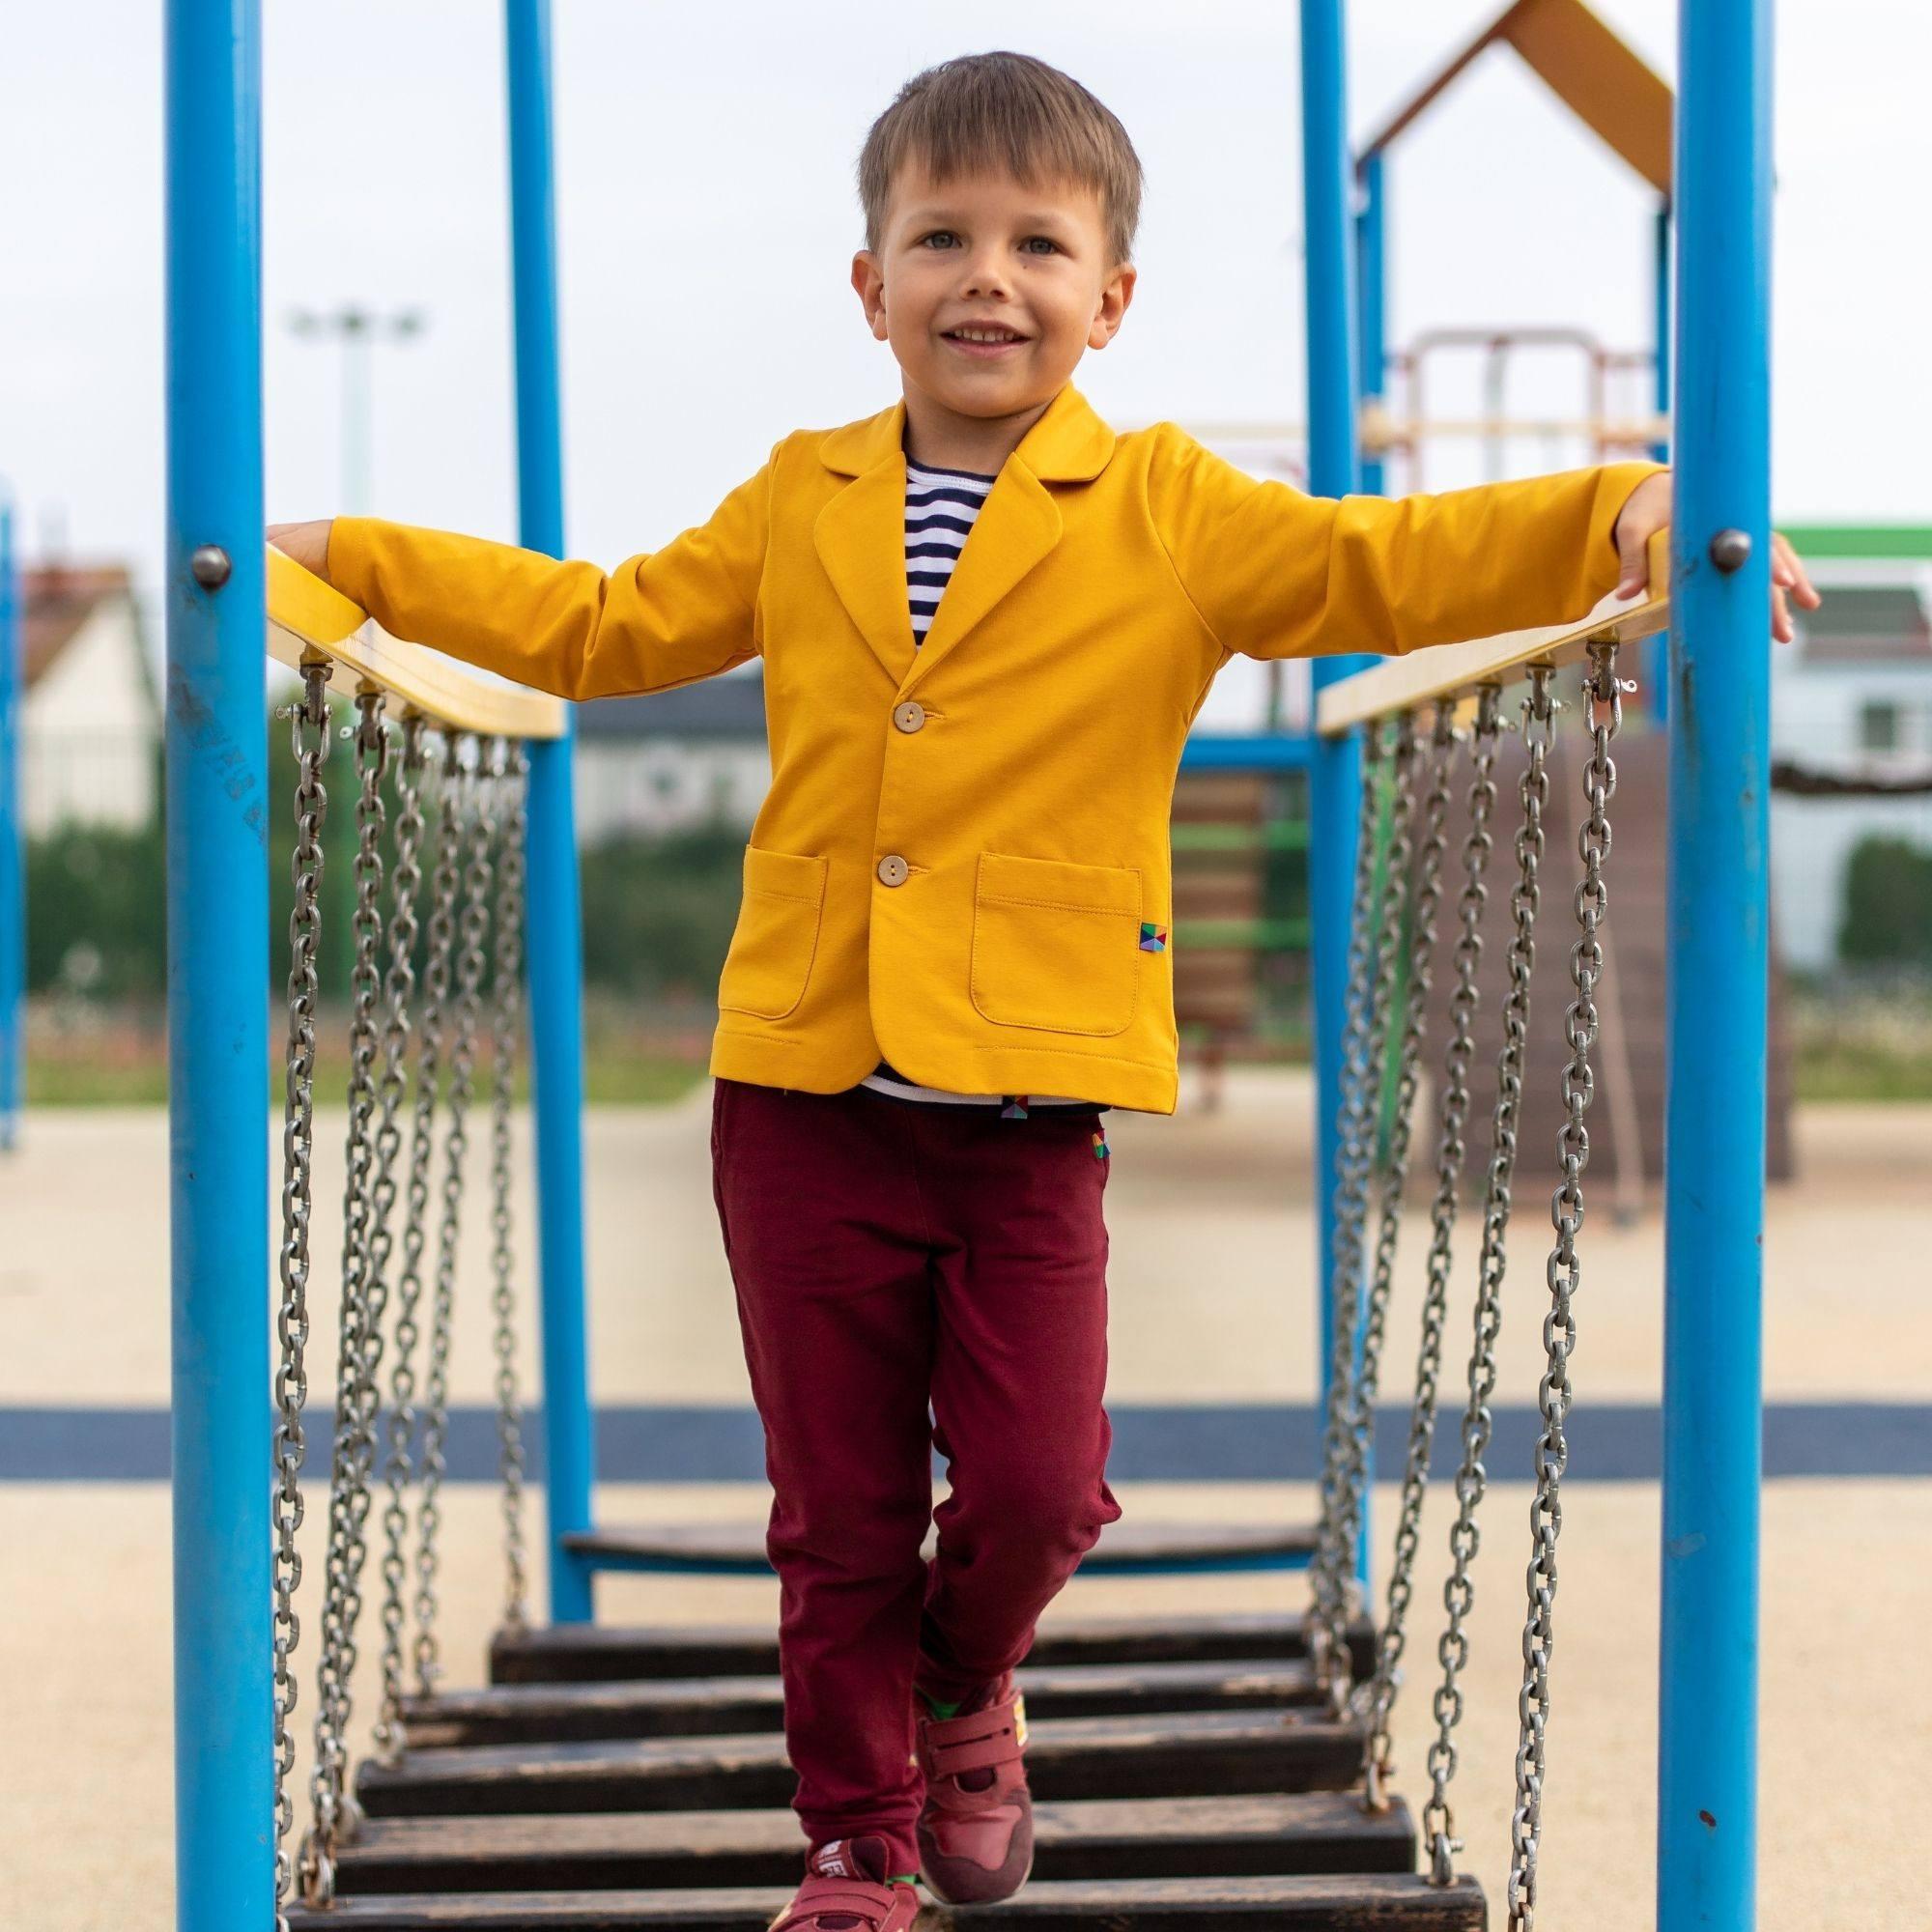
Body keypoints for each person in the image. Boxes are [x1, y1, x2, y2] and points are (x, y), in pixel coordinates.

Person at [270, 48, 1815, 1932]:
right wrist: (355, 561)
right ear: (870, 286)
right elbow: (605, 626)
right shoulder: (804, 493)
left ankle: (954, 1680)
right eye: (939, 237)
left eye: (1033, 242)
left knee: (1035, 1485)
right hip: (804, 1094)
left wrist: (1622, 518)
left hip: (1025, 1105)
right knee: (835, 1513)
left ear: (1110, 297)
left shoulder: (1162, 505)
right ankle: (856, 1842)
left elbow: (1377, 561)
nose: (983, 275)